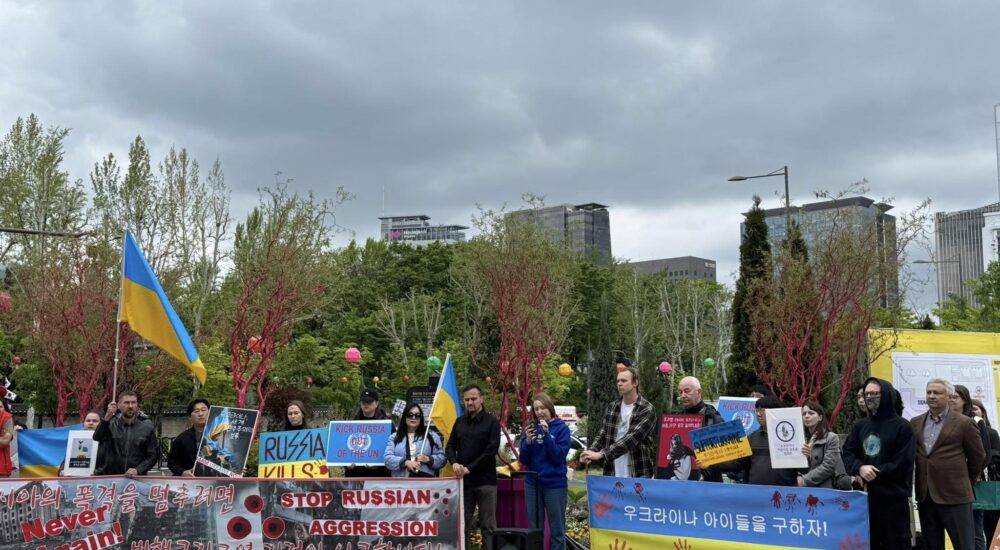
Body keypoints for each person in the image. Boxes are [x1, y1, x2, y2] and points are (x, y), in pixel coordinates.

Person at [841, 377, 916, 550]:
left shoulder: (903, 427)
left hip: (893, 500)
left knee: (896, 544)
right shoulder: (860, 426)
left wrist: (873, 473)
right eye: (867, 394)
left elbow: (902, 463)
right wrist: (859, 467)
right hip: (865, 499)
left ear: (887, 395)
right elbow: (848, 452)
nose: (869, 398)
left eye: (875, 393)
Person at [911, 378, 985, 550]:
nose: (931, 396)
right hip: (926, 496)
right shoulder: (915, 422)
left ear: (949, 396)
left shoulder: (964, 423)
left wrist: (966, 481)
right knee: (932, 545)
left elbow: (978, 457)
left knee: (963, 545)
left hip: (956, 495)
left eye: (937, 392)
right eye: (929, 392)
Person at [446, 384, 501, 550]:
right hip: (464, 483)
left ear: (481, 399)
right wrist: (454, 462)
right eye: (467, 399)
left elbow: (490, 451)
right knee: (463, 525)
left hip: (486, 482)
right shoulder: (459, 421)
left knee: (488, 526)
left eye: (473, 398)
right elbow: (450, 446)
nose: (470, 402)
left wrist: (470, 468)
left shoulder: (492, 422)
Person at [580, 367, 657, 478]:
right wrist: (591, 452)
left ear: (635, 382)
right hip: (612, 469)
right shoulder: (612, 407)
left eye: (624, 381)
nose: (619, 384)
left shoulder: (646, 409)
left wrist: (601, 454)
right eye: (618, 381)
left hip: (638, 470)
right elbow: (603, 433)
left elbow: (631, 438)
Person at [518, 392, 571, 550]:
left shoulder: (562, 429)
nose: (540, 412)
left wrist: (547, 436)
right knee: (535, 529)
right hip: (533, 484)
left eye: (543, 408)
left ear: (550, 408)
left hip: (554, 485)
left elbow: (558, 457)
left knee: (557, 530)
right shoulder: (531, 428)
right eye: (536, 409)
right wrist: (527, 441)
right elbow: (524, 460)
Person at [952, 385, 993, 550]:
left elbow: (984, 455)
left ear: (964, 400)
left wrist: (968, 476)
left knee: (975, 530)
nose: (950, 400)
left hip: (972, 485)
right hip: (949, 487)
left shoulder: (975, 421)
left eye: (955, 397)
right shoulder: (944, 421)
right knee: (959, 532)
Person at [93, 391, 160, 476]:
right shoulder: (110, 424)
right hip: (111, 479)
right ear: (118, 405)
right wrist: (107, 416)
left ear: (137, 405)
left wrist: (138, 469)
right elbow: (97, 437)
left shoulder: (147, 427)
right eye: (126, 403)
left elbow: (153, 455)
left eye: (133, 402)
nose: (130, 406)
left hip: (136, 479)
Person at [735, 396, 797, 486]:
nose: (758, 414)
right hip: (757, 493)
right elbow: (737, 463)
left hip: (785, 492)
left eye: (763, 410)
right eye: (756, 410)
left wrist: (806, 457)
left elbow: (803, 469)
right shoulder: (751, 438)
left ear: (776, 411)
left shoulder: (791, 436)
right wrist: (711, 461)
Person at [677, 376, 730, 481]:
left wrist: (710, 465)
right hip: (682, 484)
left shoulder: (715, 420)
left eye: (687, 391)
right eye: (680, 392)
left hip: (710, 485)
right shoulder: (676, 420)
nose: (683, 395)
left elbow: (729, 459)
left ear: (699, 392)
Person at [384, 402, 445, 478]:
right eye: (410, 414)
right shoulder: (394, 437)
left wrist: (428, 459)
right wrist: (405, 462)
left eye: (417, 415)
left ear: (421, 418)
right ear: (404, 416)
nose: (413, 417)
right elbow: (387, 459)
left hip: (425, 483)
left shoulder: (431, 436)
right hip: (400, 484)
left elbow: (442, 459)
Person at [797, 401, 848, 489]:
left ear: (820, 417)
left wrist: (804, 480)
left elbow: (828, 467)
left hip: (822, 489)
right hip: (799, 488)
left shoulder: (831, 438)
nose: (806, 416)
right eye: (804, 413)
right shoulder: (799, 438)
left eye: (811, 413)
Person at [344, 389, 392, 478]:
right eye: (363, 401)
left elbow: (393, 450)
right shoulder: (351, 424)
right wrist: (346, 465)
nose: (366, 404)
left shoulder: (387, 425)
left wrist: (380, 465)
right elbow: (344, 449)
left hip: (379, 476)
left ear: (377, 403)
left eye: (369, 401)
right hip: (355, 476)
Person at [972, 399, 1000, 541]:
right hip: (967, 485)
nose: (972, 411)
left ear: (982, 412)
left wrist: (981, 456)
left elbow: (996, 455)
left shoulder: (991, 433)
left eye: (975, 408)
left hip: (987, 484)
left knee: (989, 527)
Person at [168, 399, 211, 477]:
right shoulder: (181, 439)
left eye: (204, 410)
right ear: (190, 417)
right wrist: (183, 472)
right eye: (196, 411)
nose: (201, 414)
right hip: (191, 483)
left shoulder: (220, 436)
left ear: (210, 413)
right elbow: (172, 462)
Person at [0, 401, 14, 478]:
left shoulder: (7, 417)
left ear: (5, 408)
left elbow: (5, 441)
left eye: (0, 407)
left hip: (1, 468)